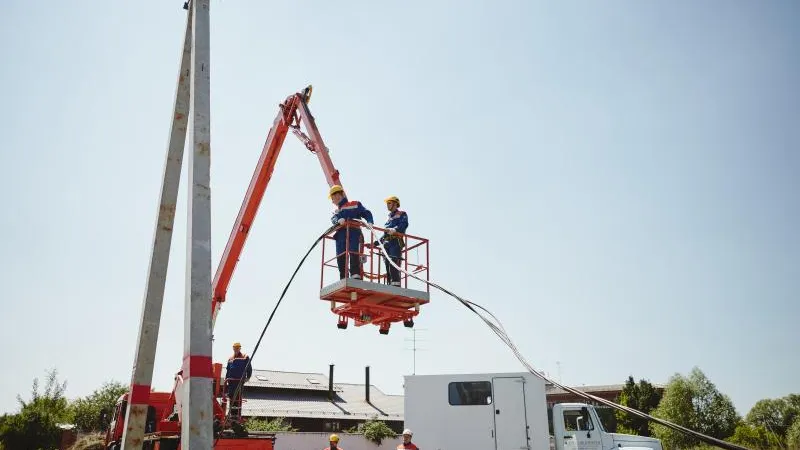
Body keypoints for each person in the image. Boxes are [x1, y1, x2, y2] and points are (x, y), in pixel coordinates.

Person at [329, 185, 373, 280]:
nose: (334, 199)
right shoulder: (335, 213)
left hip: (353, 232)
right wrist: (338, 220)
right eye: (333, 198)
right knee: (341, 256)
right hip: (340, 235)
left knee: (353, 252)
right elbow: (334, 219)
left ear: (341, 195)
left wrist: (369, 221)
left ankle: (355, 275)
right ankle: (343, 277)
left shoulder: (354, 204)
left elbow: (366, 212)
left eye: (335, 196)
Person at [377, 195, 408, 286]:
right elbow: (385, 234)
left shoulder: (402, 214)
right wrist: (375, 243)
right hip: (387, 243)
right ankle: (390, 283)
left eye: (389, 203)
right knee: (387, 263)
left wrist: (395, 229)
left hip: (395, 242)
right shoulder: (389, 218)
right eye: (387, 203)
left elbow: (404, 224)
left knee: (394, 262)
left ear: (395, 204)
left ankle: (396, 283)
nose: (387, 205)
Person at [225, 342, 252, 421]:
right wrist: (226, 379)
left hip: (239, 382)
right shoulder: (230, 358)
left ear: (240, 348)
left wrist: (248, 377)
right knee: (231, 397)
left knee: (238, 398)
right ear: (233, 348)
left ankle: (237, 416)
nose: (236, 349)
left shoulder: (245, 357)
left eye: (237, 348)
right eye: (235, 348)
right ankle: (232, 416)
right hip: (231, 382)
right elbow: (228, 370)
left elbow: (249, 368)